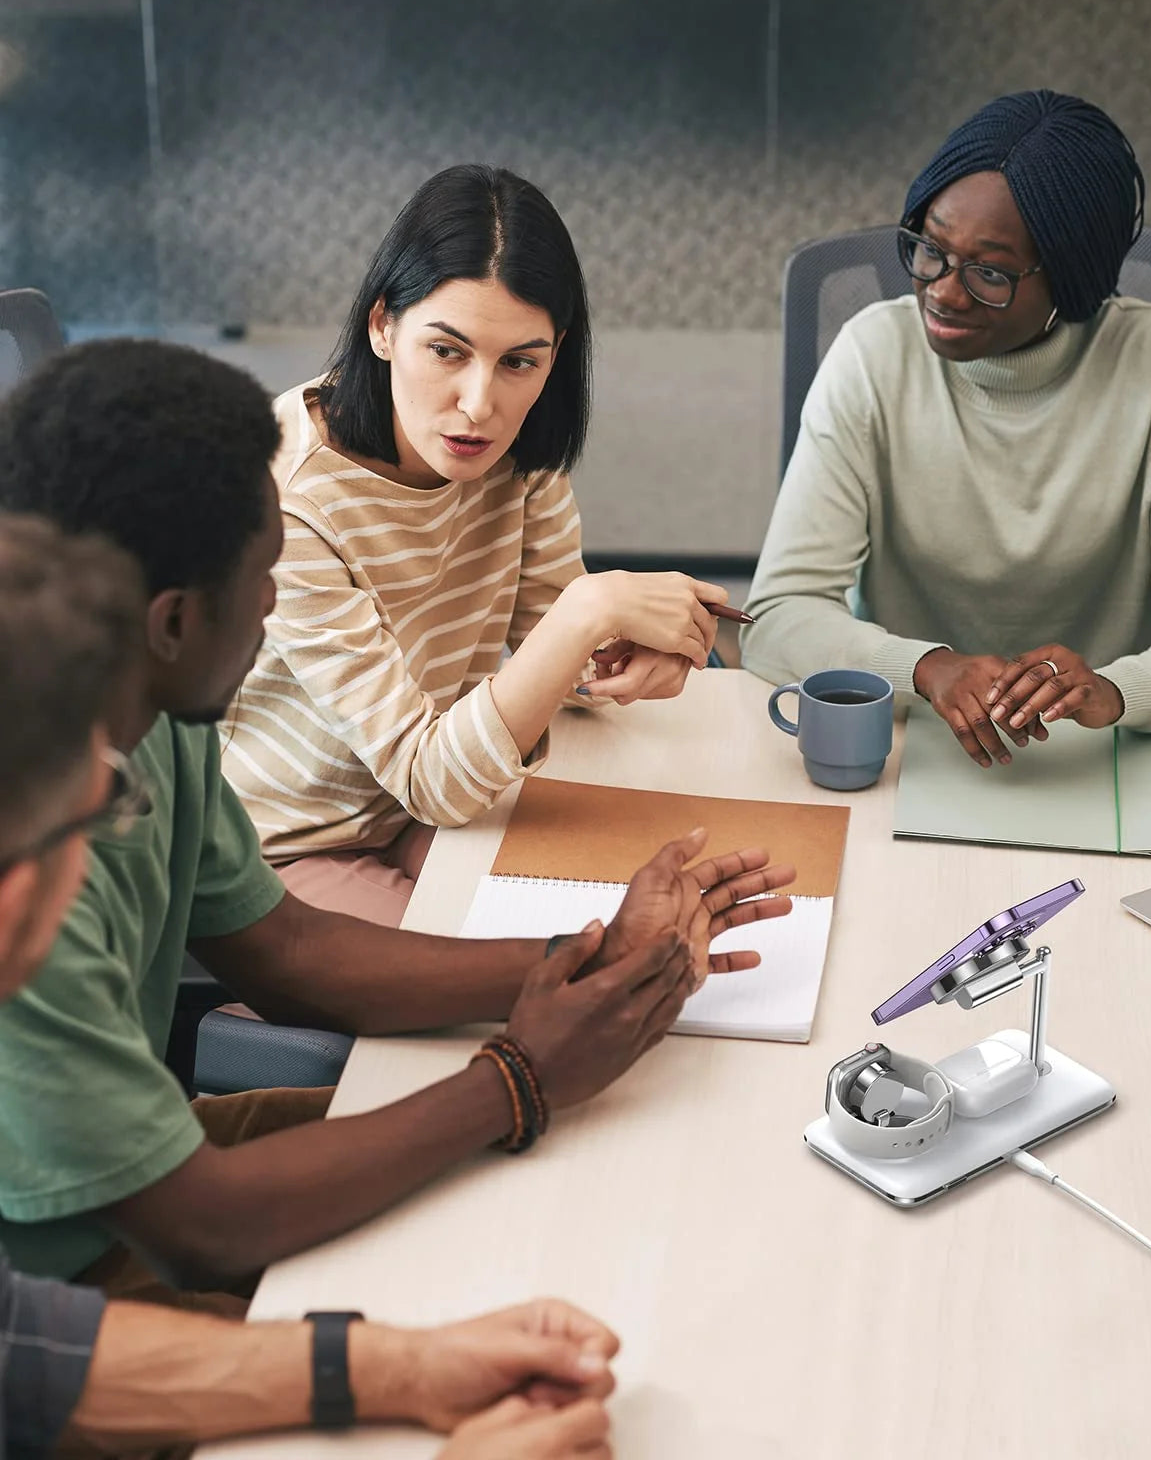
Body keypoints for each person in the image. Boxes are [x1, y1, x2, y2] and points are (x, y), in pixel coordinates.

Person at [0, 341, 792, 1332]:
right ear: (171, 620)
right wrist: (518, 1079)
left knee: (593, 1171)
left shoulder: (153, 713)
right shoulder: (36, 843)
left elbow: (284, 952)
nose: (275, 603)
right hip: (54, 1292)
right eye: (263, 577)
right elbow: (197, 1225)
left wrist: (585, 960)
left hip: (136, 1183)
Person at [0, 512, 621, 1460]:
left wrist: (403, 1370)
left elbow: (33, 1353)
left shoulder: (144, 722)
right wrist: (511, 1083)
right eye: (89, 818)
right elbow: (181, 1239)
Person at [220, 164, 730, 923]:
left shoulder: (516, 460)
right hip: (285, 845)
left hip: (427, 807)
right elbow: (433, 775)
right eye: (447, 351)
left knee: (652, 908)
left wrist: (627, 652)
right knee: (545, 978)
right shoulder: (289, 496)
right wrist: (591, 610)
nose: (480, 406)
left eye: (520, 361)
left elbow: (561, 667)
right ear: (382, 325)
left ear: (555, 356)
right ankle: (247, 1035)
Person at [742, 89, 1151, 768]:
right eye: (931, 250)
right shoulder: (873, 355)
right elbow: (777, 617)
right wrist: (928, 668)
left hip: (1098, 757)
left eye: (989, 273)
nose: (944, 291)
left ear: (1071, 277)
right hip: (903, 744)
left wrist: (1116, 689)